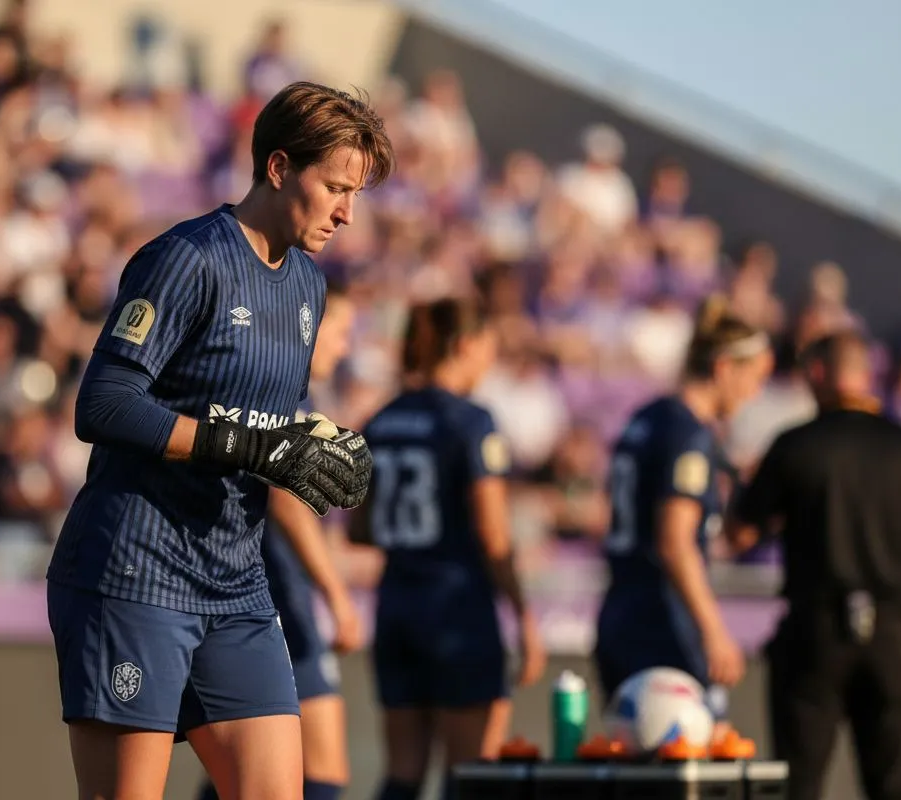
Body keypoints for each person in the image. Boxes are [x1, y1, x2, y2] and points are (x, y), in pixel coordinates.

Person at [44, 82, 393, 800]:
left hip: (236, 583)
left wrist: (310, 449)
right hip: (135, 573)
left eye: (354, 195)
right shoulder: (187, 258)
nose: (347, 213)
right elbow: (103, 404)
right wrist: (244, 447)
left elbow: (265, 428)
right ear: (278, 167)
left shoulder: (307, 286)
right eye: (335, 188)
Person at [725, 331, 901, 800]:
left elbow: (740, 534)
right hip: (890, 638)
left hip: (814, 636)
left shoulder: (795, 445)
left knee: (799, 786)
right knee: (890, 788)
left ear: (819, 372)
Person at [350, 297, 547, 800]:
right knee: (471, 773)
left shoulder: (383, 420)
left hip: (396, 605)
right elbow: (493, 534)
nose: (490, 361)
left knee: (402, 774)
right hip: (458, 609)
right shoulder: (471, 421)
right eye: (489, 348)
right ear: (465, 345)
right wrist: (524, 616)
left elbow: (360, 530)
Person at [197, 280, 363, 800]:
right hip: (274, 598)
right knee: (321, 768)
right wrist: (336, 595)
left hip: (253, 592)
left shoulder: (283, 388)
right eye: (340, 332)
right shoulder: (283, 390)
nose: (345, 347)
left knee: (247, 767)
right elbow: (287, 500)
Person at [594, 295, 771, 732]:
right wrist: (713, 631)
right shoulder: (687, 434)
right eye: (754, 377)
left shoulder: (646, 419)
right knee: (697, 755)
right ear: (724, 368)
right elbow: (675, 542)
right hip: (663, 622)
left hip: (619, 612)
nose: (755, 393)